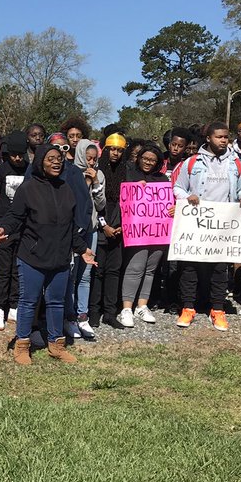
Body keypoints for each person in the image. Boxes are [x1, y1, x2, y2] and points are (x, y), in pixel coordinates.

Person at [0, 144, 95, 364]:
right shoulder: (28, 188)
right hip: (32, 256)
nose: (56, 162)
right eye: (51, 159)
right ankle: (22, 345)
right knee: (28, 302)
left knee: (56, 302)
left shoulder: (66, 189)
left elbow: (70, 226)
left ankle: (56, 345)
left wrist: (82, 249)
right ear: (40, 162)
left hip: (60, 257)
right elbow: (15, 217)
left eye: (59, 158)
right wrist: (4, 229)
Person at [172, 124, 241, 331]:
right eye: (219, 137)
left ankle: (217, 309)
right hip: (195, 224)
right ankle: (187, 308)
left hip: (222, 225)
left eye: (226, 137)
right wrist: (187, 197)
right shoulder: (192, 162)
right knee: (189, 268)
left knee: (220, 269)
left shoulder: (236, 163)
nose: (224, 140)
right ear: (208, 138)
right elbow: (178, 188)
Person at [117, 145, 170, 328]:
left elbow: (167, 201)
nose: (148, 162)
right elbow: (122, 199)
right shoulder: (129, 174)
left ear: (158, 162)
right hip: (137, 232)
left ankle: (142, 305)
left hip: (158, 232)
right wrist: (134, 188)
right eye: (145, 158)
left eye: (152, 160)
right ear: (138, 158)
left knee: (150, 270)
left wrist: (172, 208)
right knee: (135, 268)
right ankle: (126, 308)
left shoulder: (163, 179)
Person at [65, 137, 104, 341]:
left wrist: (95, 182)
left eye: (94, 159)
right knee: (71, 275)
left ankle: (82, 315)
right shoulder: (71, 173)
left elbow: (101, 204)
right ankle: (69, 316)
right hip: (74, 231)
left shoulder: (99, 174)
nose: (91, 162)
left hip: (92, 229)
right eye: (88, 158)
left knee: (86, 274)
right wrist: (85, 182)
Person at [0, 131, 30, 330]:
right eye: (14, 154)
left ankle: (14, 305)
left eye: (20, 154)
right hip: (3, 226)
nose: (17, 158)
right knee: (3, 269)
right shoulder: (1, 171)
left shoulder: (30, 171)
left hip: (24, 227)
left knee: (17, 269)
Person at [92, 134, 127, 329]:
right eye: (112, 149)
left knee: (114, 272)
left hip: (119, 229)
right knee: (98, 271)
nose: (116, 153)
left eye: (120, 150)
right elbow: (94, 203)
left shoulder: (126, 172)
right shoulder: (97, 172)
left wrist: (122, 225)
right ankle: (94, 312)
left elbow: (129, 202)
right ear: (105, 150)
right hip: (100, 227)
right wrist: (104, 225)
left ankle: (110, 313)